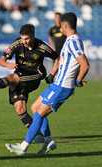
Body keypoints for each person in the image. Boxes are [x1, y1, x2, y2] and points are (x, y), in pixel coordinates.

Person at [5, 12, 90, 156]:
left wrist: (77, 80)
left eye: (60, 25)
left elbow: (84, 64)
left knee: (39, 113)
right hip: (58, 84)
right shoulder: (72, 40)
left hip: (63, 87)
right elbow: (73, 64)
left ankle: (23, 147)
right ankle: (49, 141)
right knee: (35, 107)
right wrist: (59, 75)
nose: (59, 28)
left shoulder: (73, 41)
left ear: (64, 25)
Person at [0, 24, 59, 140]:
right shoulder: (17, 44)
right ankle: (37, 135)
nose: (24, 41)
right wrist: (8, 64)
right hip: (19, 75)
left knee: (13, 78)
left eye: (27, 38)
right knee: (20, 109)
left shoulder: (41, 46)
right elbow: (1, 61)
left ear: (33, 36)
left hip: (35, 77)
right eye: (22, 38)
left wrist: (52, 74)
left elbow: (57, 58)